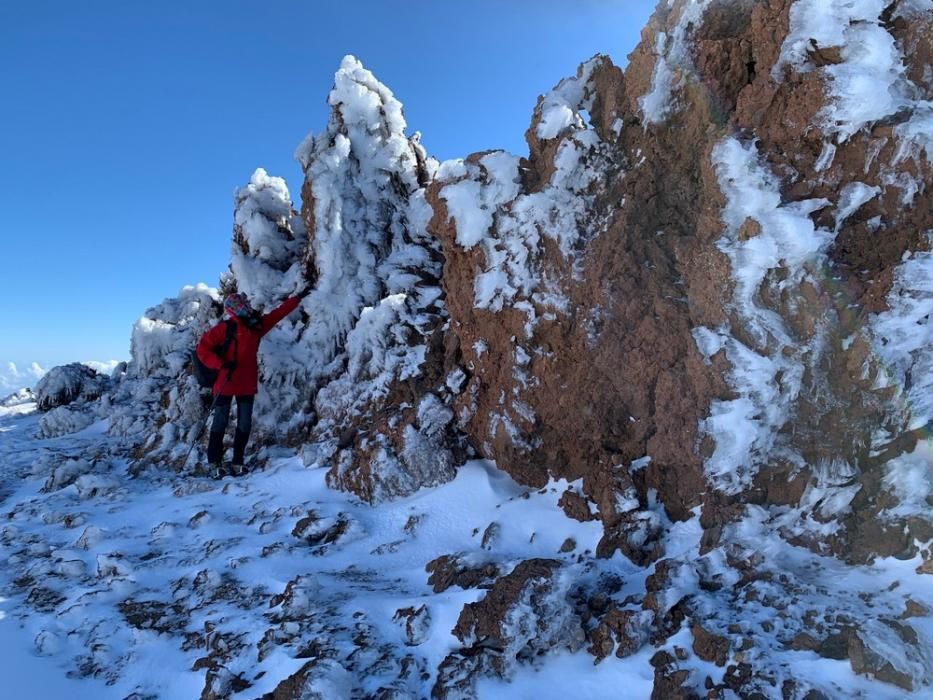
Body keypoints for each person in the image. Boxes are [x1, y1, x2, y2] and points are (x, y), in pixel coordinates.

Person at [196, 289, 308, 477]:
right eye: (240, 306)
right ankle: (214, 462)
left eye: (244, 305)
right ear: (233, 310)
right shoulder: (225, 328)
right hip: (226, 381)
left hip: (245, 383)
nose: (245, 308)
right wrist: (221, 364)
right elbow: (202, 349)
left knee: (244, 424)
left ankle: (237, 461)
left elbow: (277, 314)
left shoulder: (255, 326)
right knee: (220, 422)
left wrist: (297, 299)